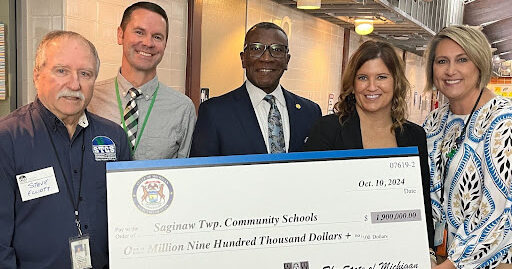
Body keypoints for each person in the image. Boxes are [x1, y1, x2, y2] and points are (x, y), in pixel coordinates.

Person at [0, 31, 130, 268]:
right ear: (36, 75)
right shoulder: (7, 140)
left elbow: (127, 221)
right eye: (62, 71)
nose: (74, 84)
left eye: (85, 73)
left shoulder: (114, 138)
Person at [303, 40, 435, 264]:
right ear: (352, 84)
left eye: (381, 77)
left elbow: (421, 202)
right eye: (363, 77)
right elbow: (308, 198)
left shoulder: (414, 136)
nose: (371, 87)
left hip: (397, 254)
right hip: (338, 254)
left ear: (396, 82)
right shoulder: (328, 130)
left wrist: (427, 252)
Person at [422, 25, 512, 269]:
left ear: (480, 64)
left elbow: (500, 212)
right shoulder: (433, 122)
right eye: (442, 61)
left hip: (488, 263)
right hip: (439, 259)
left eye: (462, 59)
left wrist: (450, 265)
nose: (451, 70)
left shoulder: (503, 121)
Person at [190, 22, 321, 157]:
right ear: (243, 59)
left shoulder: (310, 112)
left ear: (287, 60)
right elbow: (202, 174)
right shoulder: (214, 112)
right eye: (256, 49)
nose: (266, 58)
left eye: (277, 50)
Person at [88, 1, 196, 160]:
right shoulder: (90, 98)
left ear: (165, 44)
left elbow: (185, 175)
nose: (148, 43)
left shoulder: (183, 109)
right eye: (139, 32)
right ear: (120, 35)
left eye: (157, 37)